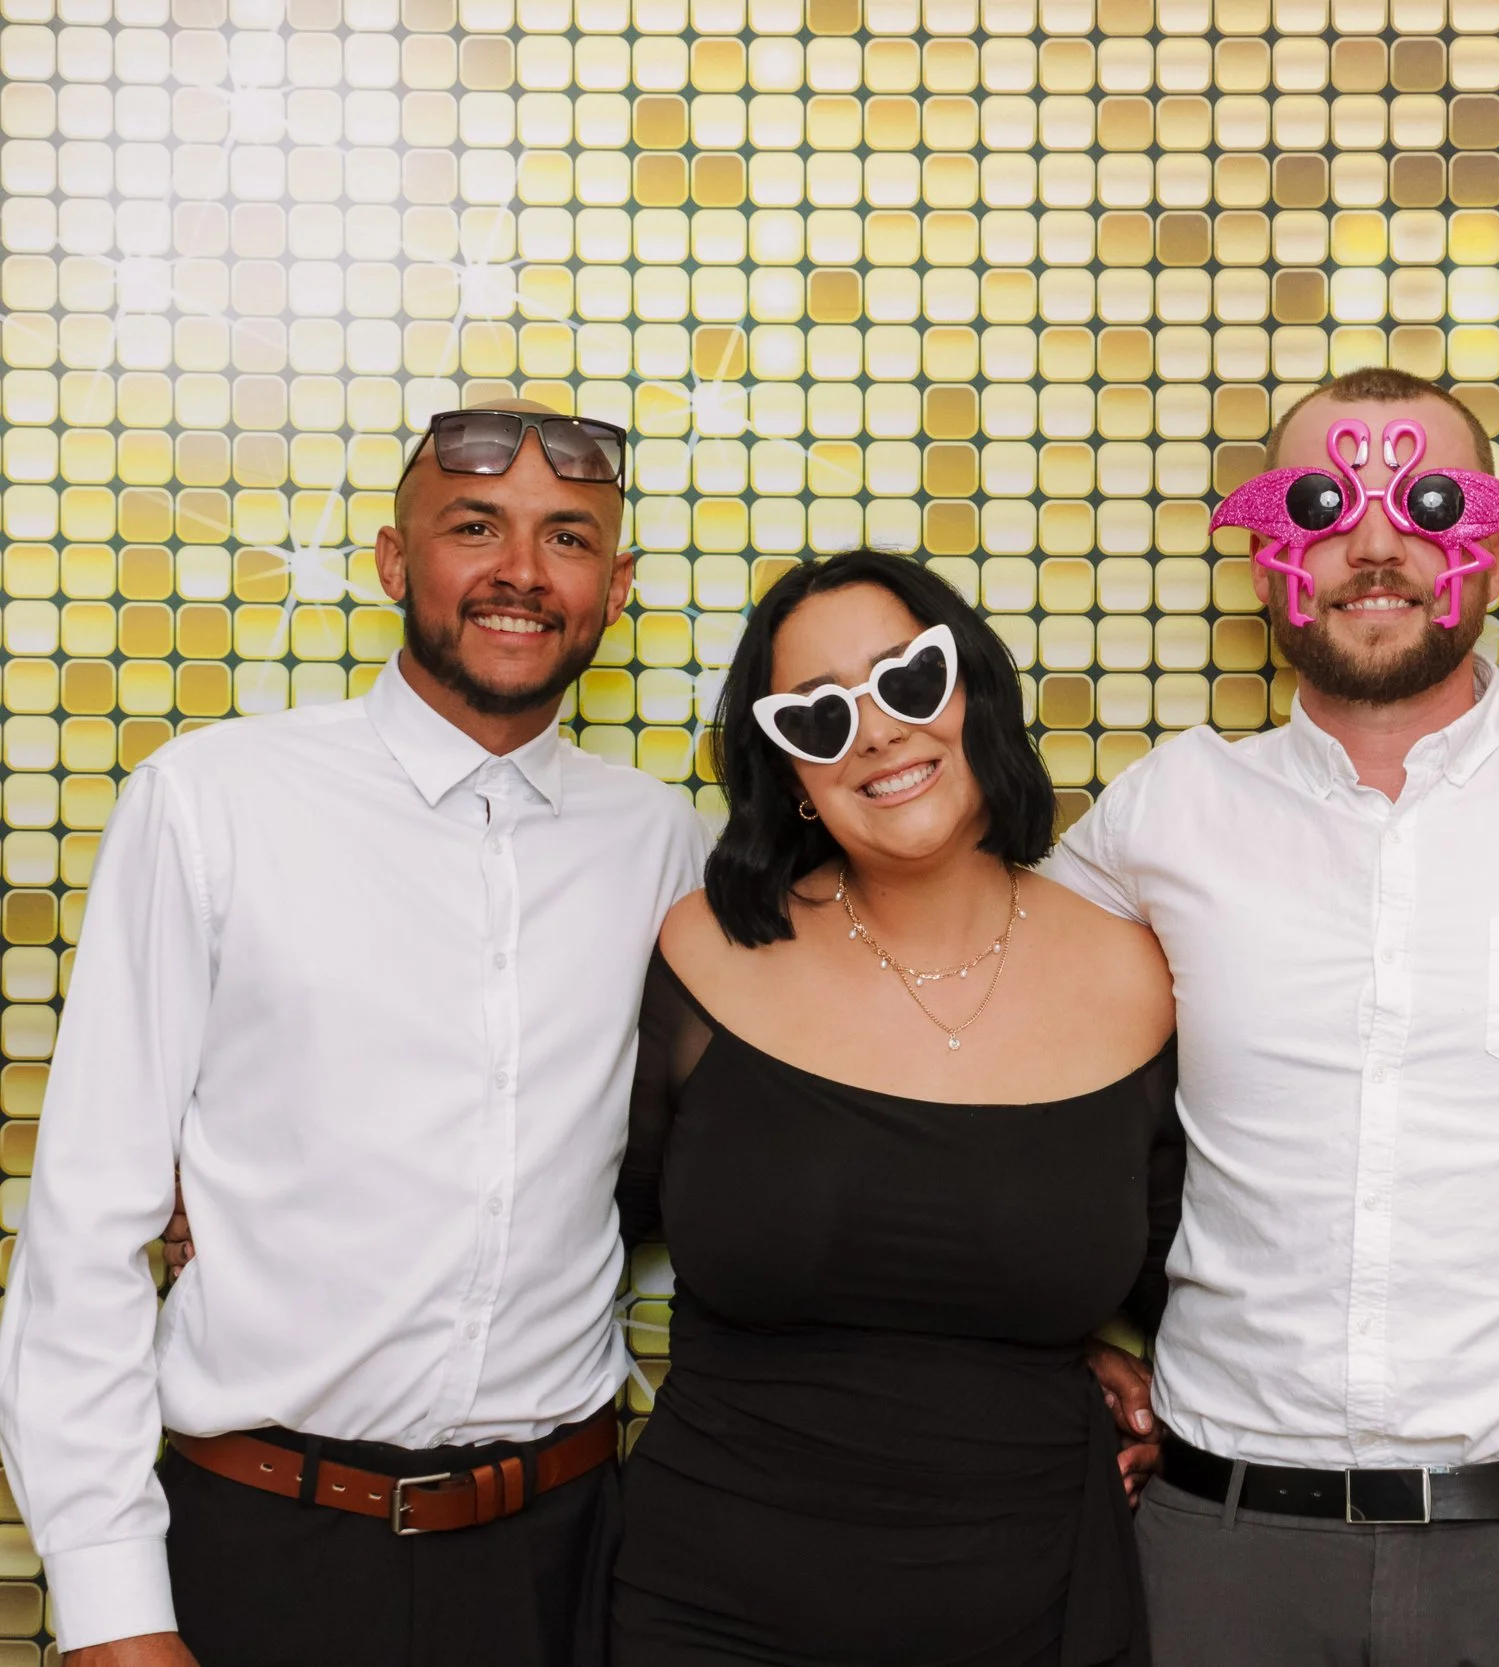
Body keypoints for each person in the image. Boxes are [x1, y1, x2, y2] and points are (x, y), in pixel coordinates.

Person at [1043, 366, 1499, 1663]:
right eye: (1322, 503)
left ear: (1494, 540)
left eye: (1427, 503)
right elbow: (982, 1043)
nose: (1376, 544)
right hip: (1229, 1550)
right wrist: (1041, 1336)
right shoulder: (1162, 815)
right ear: (1263, 548)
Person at [0, 404, 710, 1666]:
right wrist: (113, 1609)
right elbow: (88, 1220)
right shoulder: (213, 803)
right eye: (474, 527)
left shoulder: (662, 845)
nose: (521, 571)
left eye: (568, 537)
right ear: (393, 560)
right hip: (261, 1544)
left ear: (616, 589)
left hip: (563, 1560)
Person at [607, 550, 1182, 1667]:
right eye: (817, 716)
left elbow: (1197, 1282)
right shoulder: (706, 950)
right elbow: (569, 1225)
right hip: (709, 1609)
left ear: (974, 693)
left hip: (1036, 1605)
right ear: (790, 773)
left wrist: (1172, 1418)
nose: (874, 732)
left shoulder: (1137, 976)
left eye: (908, 681)